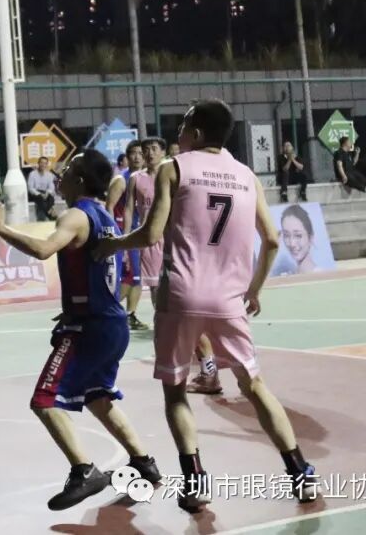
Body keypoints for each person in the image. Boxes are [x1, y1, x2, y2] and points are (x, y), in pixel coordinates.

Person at [96, 99, 320, 511]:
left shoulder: (173, 168)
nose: (178, 133)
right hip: (229, 299)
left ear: (196, 133)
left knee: (176, 391)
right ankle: (299, 471)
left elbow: (150, 235)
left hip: (180, 295)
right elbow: (272, 241)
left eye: (183, 125)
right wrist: (255, 290)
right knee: (254, 386)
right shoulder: (247, 175)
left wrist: (112, 245)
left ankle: (195, 480)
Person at [0, 152, 160, 510]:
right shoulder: (104, 216)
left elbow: (44, 249)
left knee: (45, 400)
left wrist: (1, 228)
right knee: (98, 396)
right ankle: (144, 463)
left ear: (79, 180)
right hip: (111, 323)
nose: (59, 176)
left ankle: (84, 470)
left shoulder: (76, 215)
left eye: (67, 171)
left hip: (89, 326)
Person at [107, 139, 146, 331]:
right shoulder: (121, 180)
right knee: (130, 278)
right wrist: (114, 235)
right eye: (133, 153)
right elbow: (109, 208)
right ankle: (107, 310)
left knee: (138, 278)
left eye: (141, 153)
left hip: (140, 233)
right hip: (124, 234)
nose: (137, 157)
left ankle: (130, 315)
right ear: (127, 157)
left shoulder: (145, 178)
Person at [125, 137, 166, 308]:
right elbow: (128, 209)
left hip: (171, 236)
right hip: (149, 237)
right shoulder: (135, 178)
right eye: (146, 150)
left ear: (163, 152)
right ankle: (160, 319)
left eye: (154, 149)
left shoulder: (172, 175)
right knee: (156, 285)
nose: (150, 153)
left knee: (176, 283)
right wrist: (125, 240)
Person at [278, 205, 319, 275]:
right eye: (286, 235)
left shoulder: (321, 275)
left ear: (310, 238)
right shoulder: (288, 275)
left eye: (298, 236)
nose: (292, 244)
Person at [27, 157, 59, 221]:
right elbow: (30, 188)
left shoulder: (49, 175)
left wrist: (47, 193)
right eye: (41, 163)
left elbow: (51, 187)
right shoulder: (32, 174)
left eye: (45, 163)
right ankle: (51, 215)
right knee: (40, 199)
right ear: (38, 163)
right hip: (35, 194)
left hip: (45, 192)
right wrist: (39, 194)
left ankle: (50, 214)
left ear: (47, 165)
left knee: (51, 198)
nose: (43, 165)